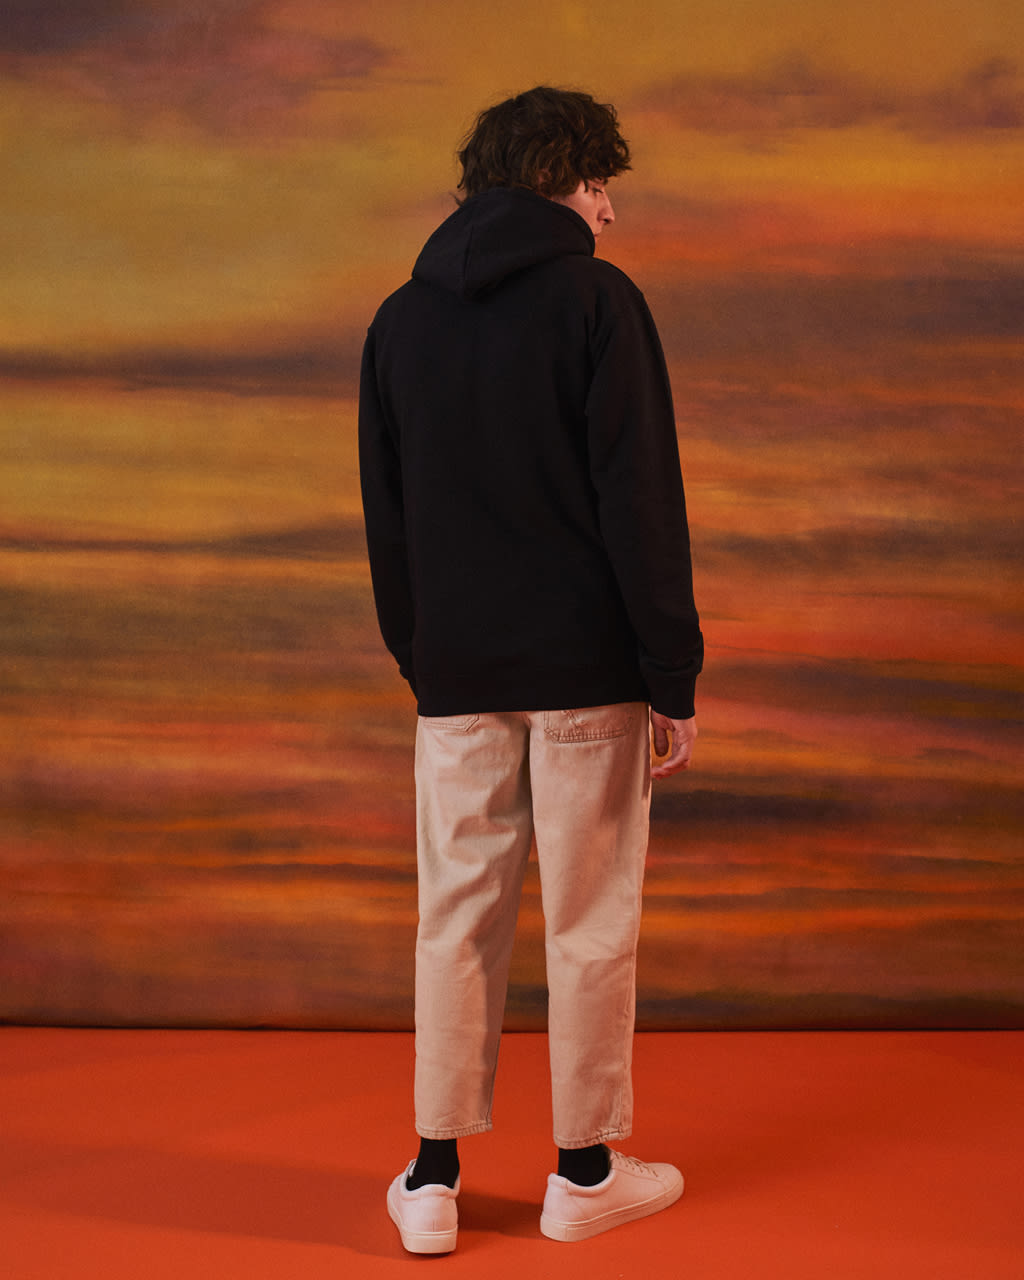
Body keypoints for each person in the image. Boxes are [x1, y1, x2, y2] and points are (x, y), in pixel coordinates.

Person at [358, 85, 703, 1253]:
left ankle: (432, 1177)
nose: (609, 211)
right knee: (590, 922)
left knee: (453, 918)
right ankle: (584, 1172)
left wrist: (423, 658)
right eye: (600, 184)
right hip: (588, 672)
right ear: (559, 177)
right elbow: (640, 502)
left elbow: (388, 518)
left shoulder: (399, 320)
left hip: (456, 674)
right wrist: (671, 672)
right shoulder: (600, 304)